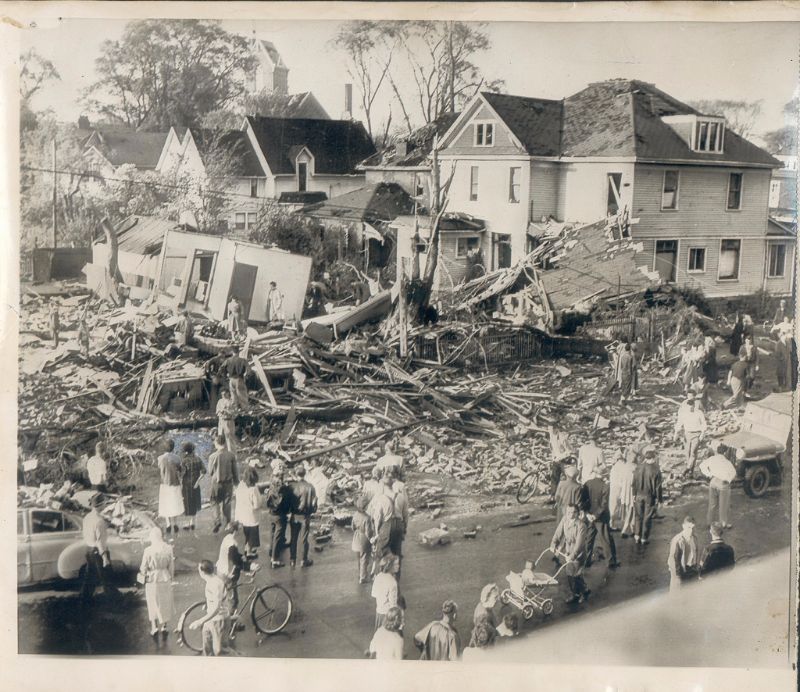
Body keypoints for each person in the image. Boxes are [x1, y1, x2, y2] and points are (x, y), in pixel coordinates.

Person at [80, 493, 121, 604]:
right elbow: (100, 541)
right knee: (107, 578)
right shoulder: (99, 521)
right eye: (104, 503)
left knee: (89, 579)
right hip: (99, 551)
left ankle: (83, 602)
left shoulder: (87, 517)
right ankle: (116, 604)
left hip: (88, 549)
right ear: (101, 505)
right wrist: (105, 557)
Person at [138, 527, 175, 646]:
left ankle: (154, 627)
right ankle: (164, 626)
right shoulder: (168, 548)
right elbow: (171, 566)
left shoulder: (148, 550)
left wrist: (144, 573)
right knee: (164, 602)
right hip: (165, 577)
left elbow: (143, 567)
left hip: (152, 579)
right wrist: (171, 577)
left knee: (153, 602)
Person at [550, 503, 591, 604]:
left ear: (578, 513)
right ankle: (576, 594)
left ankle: (584, 592)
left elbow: (579, 544)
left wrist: (573, 556)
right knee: (569, 574)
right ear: (566, 513)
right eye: (569, 512)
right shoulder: (565, 520)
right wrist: (553, 543)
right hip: (568, 551)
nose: (571, 515)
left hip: (578, 554)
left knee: (576, 575)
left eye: (574, 512)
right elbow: (558, 532)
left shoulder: (581, 526)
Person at [189, 559, 230, 656]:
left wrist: (200, 621)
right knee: (207, 647)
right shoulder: (212, 580)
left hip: (219, 620)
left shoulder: (215, 584)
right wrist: (208, 604)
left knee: (220, 651)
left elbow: (216, 608)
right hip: (211, 619)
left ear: (202, 572)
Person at [581, 468, 620, 569]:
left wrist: (587, 514)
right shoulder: (605, 486)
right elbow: (604, 504)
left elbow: (583, 500)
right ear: (604, 475)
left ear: (595, 473)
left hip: (589, 516)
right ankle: (610, 561)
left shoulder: (587, 483)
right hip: (601, 517)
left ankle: (586, 560)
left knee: (588, 539)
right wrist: (596, 515)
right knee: (605, 539)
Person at [216, 521, 250, 615]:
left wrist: (240, 556)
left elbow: (232, 556)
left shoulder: (227, 539)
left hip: (221, 570)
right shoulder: (232, 543)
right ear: (235, 531)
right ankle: (230, 622)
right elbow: (234, 561)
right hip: (228, 574)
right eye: (239, 530)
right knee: (233, 600)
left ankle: (228, 619)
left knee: (225, 597)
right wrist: (248, 567)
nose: (241, 532)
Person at [632, 445, 663, 545]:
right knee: (647, 517)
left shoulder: (638, 468)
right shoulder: (656, 470)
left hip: (638, 495)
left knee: (638, 516)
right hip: (649, 496)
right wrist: (660, 500)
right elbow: (658, 487)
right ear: (653, 458)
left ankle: (636, 535)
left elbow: (634, 482)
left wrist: (633, 494)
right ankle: (644, 538)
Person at [208, 435, 239, 533]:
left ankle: (217, 521)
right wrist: (236, 482)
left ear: (216, 443)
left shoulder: (212, 456)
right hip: (228, 483)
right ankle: (228, 523)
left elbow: (210, 471)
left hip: (216, 483)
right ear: (225, 443)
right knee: (227, 503)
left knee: (214, 501)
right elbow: (235, 471)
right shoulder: (231, 455)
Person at [288, 465, 317, 568]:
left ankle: (292, 560)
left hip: (294, 515)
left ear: (296, 474)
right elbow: (314, 503)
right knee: (304, 539)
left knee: (293, 538)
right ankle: (303, 560)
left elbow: (288, 502)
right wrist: (312, 511)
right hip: (305, 516)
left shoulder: (292, 487)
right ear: (305, 474)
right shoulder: (310, 487)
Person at [699, 450, 736, 529]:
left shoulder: (712, 459)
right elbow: (733, 473)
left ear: (716, 452)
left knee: (712, 504)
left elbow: (701, 466)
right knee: (723, 506)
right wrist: (728, 480)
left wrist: (709, 475)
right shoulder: (727, 462)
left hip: (713, 481)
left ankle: (709, 523)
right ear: (725, 452)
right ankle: (723, 524)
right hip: (723, 483)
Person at [673, 393, 707, 477]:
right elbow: (679, 424)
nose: (690, 409)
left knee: (693, 452)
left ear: (694, 406)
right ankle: (690, 470)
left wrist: (702, 434)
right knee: (687, 453)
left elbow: (704, 424)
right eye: (688, 407)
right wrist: (675, 435)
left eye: (691, 407)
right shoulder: (684, 413)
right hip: (687, 434)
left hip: (696, 434)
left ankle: (688, 468)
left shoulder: (699, 413)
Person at [367, 473, 395, 569]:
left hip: (383, 526)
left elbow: (377, 518)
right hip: (390, 523)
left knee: (380, 549)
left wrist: (376, 534)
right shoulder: (389, 498)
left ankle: (380, 570)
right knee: (386, 547)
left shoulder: (379, 501)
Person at [234, 465, 263, 559]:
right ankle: (249, 551)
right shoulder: (253, 489)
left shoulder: (240, 486)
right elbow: (256, 504)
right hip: (251, 516)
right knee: (252, 535)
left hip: (240, 514)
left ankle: (246, 548)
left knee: (245, 533)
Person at [265, 462, 290, 568]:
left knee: (272, 532)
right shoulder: (282, 489)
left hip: (271, 513)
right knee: (278, 536)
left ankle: (271, 550)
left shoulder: (271, 487)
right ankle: (274, 559)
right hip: (280, 515)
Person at [157, 439, 184, 535]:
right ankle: (175, 523)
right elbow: (180, 470)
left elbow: (160, 470)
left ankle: (168, 524)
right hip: (175, 483)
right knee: (175, 503)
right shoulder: (177, 458)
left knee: (165, 504)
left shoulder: (160, 458)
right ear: (173, 448)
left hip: (164, 484)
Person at [667, 515, 699, 592]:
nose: (691, 530)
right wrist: (678, 576)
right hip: (680, 571)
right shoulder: (678, 540)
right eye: (689, 528)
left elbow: (695, 552)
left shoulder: (694, 537)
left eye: (693, 528)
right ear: (683, 526)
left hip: (691, 570)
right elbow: (673, 560)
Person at [609, 448, 636, 537]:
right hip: (631, 490)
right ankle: (626, 529)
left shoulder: (621, 467)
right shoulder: (633, 467)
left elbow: (619, 480)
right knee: (632, 509)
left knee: (629, 509)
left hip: (625, 491)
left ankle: (631, 528)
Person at [179, 441, 205, 531]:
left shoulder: (184, 461)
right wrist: (198, 481)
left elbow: (181, 474)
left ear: (186, 451)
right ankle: (193, 522)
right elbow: (204, 471)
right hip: (196, 485)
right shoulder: (198, 459)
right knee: (194, 503)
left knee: (188, 504)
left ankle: (190, 523)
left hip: (187, 485)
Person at [371, 554, 399, 630]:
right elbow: (393, 604)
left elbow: (374, 594)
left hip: (379, 612)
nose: (398, 566)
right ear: (389, 566)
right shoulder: (392, 582)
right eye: (395, 564)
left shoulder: (378, 576)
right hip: (388, 615)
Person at [351, 494, 374, 584]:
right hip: (364, 539)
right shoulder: (367, 518)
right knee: (364, 559)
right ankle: (363, 577)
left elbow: (352, 527)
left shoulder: (355, 515)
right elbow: (368, 532)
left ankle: (360, 573)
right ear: (365, 507)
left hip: (356, 538)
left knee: (358, 558)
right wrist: (372, 539)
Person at [548, 426, 573, 502]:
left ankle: (569, 496)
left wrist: (560, 457)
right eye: (549, 429)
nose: (550, 431)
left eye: (551, 429)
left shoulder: (562, 438)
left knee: (567, 478)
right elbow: (553, 448)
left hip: (564, 460)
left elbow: (569, 451)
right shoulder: (551, 435)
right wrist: (553, 456)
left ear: (556, 429)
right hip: (556, 460)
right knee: (554, 478)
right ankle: (553, 496)